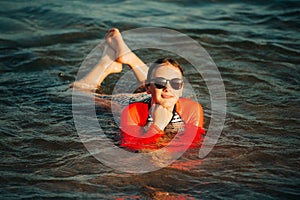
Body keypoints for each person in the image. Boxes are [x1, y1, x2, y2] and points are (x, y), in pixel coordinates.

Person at [73, 28, 205, 152]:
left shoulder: (192, 109)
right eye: (160, 83)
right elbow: (133, 146)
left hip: (151, 96)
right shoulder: (131, 111)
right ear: (149, 89)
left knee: (158, 76)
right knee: (76, 93)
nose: (168, 88)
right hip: (127, 102)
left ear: (181, 88)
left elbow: (191, 146)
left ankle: (128, 57)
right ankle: (105, 63)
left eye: (176, 83)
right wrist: (158, 126)